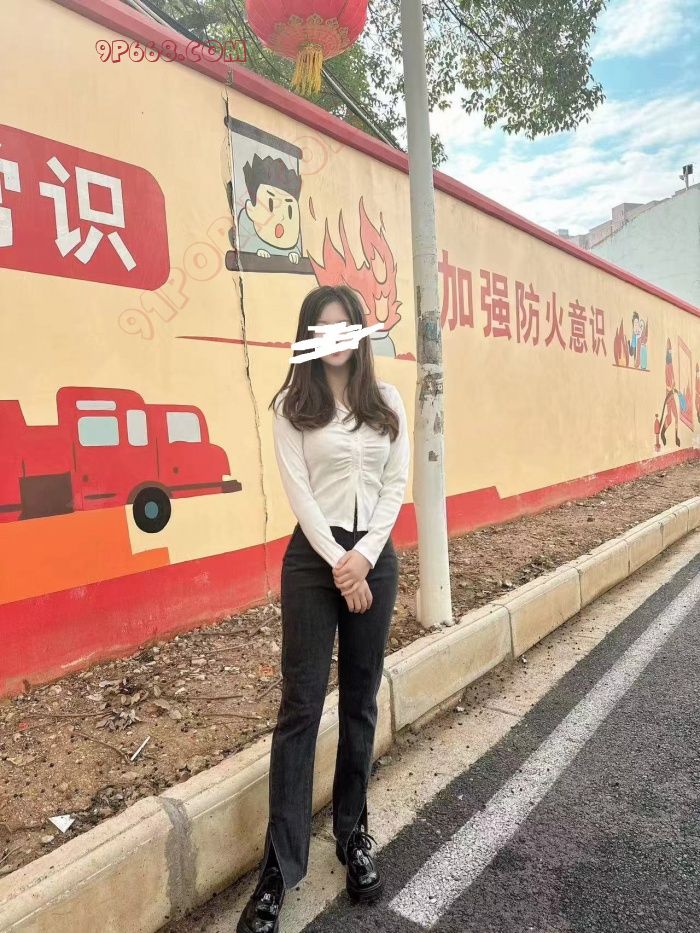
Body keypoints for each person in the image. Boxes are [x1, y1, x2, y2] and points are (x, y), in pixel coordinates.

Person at [237, 284, 410, 933]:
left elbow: (395, 484)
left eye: (345, 327)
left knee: (361, 699)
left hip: (373, 558)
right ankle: (279, 868)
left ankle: (353, 833)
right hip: (314, 562)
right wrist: (341, 563)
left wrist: (364, 557)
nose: (335, 339)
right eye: (322, 328)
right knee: (301, 708)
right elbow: (301, 496)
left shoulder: (386, 400)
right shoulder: (293, 406)